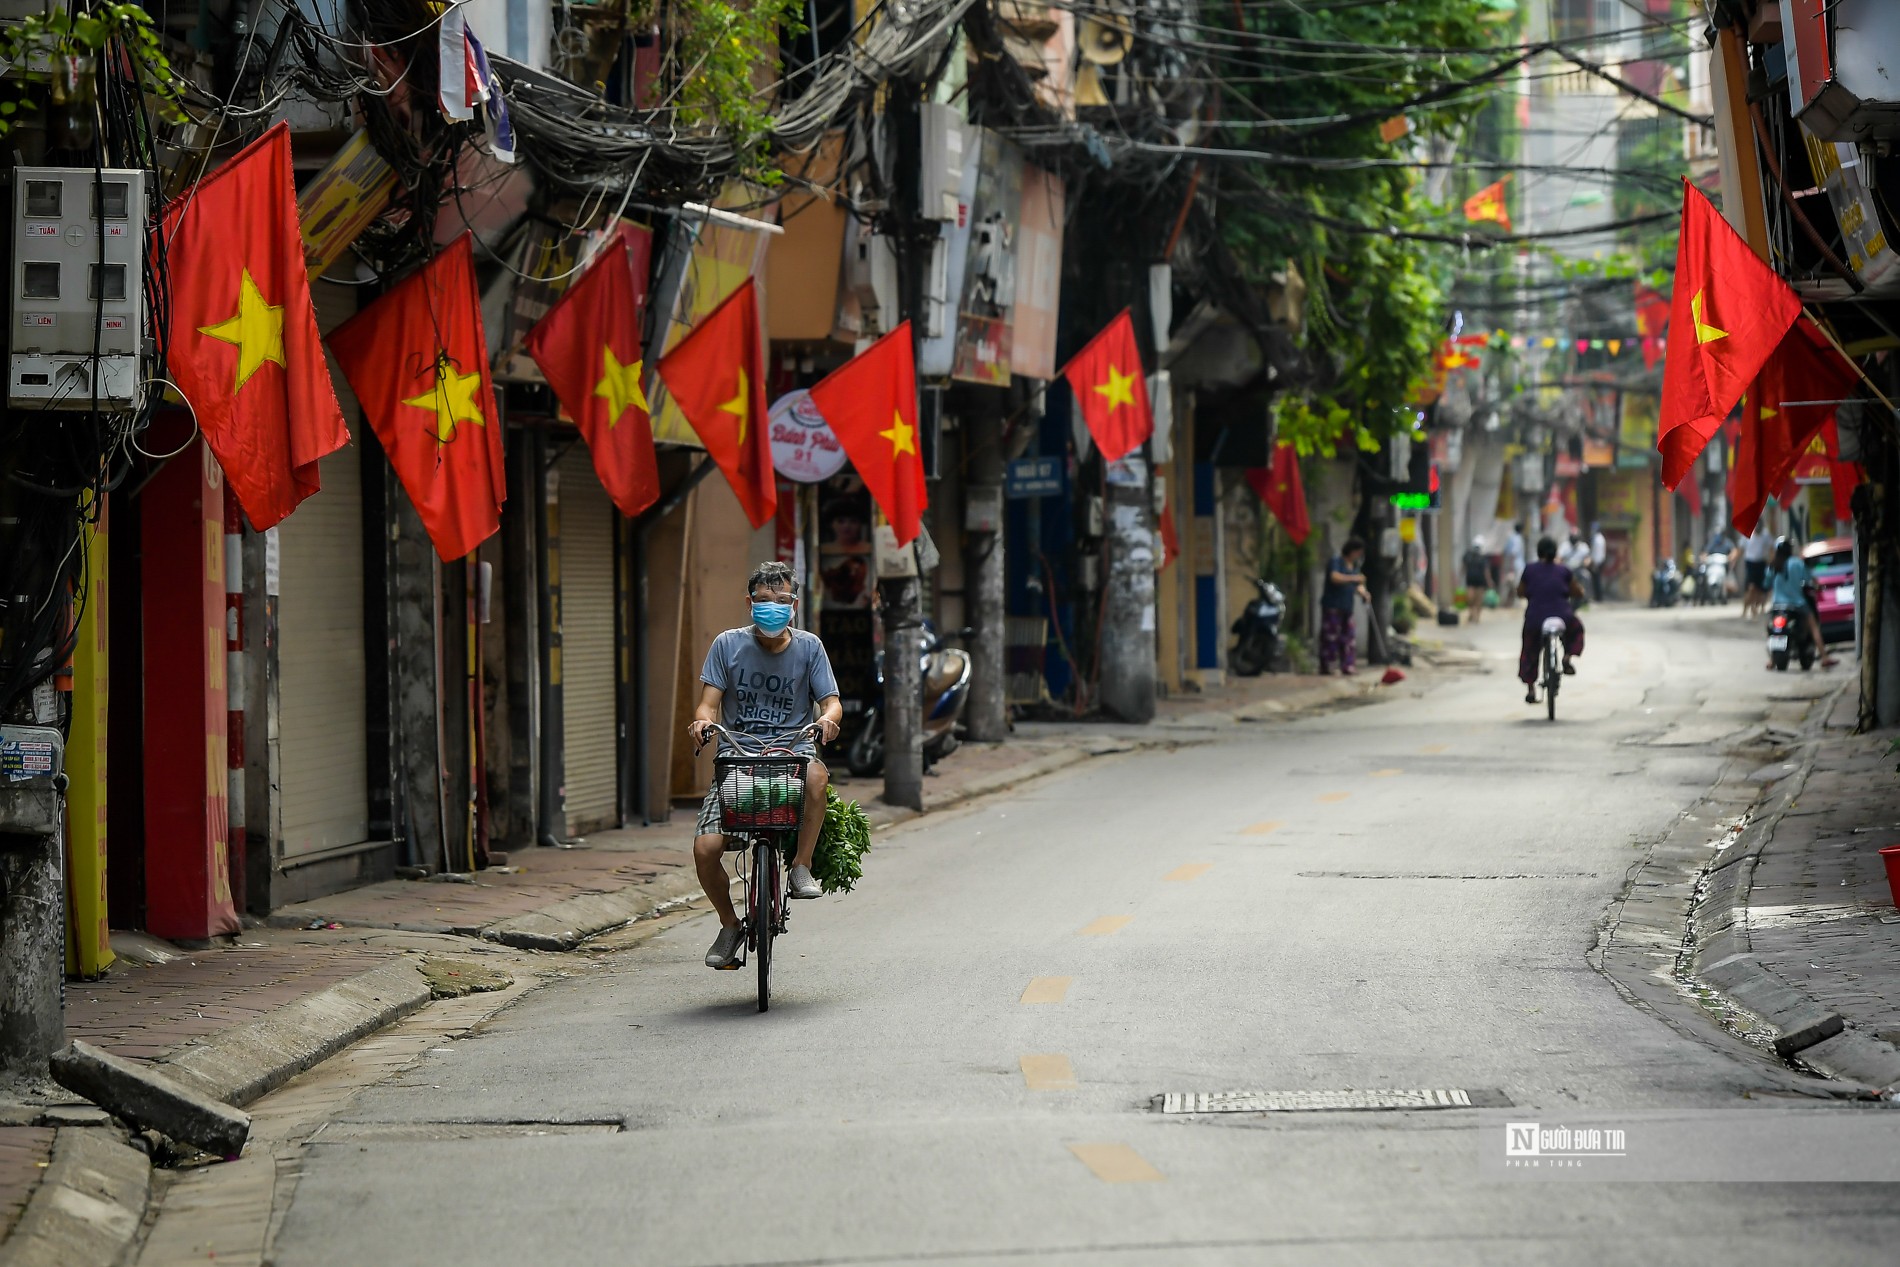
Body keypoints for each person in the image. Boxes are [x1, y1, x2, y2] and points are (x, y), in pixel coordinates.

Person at [688, 561, 845, 970]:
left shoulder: (810, 647)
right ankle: (729, 925)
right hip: (737, 757)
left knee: (817, 775)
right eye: (762, 601)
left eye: (780, 600)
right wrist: (703, 721)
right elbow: (708, 702)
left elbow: (831, 701)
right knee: (705, 850)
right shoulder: (727, 644)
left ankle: (801, 867)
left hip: (791, 754)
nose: (771, 607)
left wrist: (829, 719)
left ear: (793, 604)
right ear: (748, 603)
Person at [1518, 536, 1586, 704]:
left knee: (1530, 648)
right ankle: (1567, 657)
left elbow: (1520, 592)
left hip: (1535, 618)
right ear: (1555, 552)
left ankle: (1531, 689)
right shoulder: (1564, 571)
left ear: (1538, 551)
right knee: (1576, 630)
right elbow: (1577, 592)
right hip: (1562, 615)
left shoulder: (1529, 570)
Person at [1765, 538, 1835, 670]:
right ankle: (1824, 657)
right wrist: (1818, 586)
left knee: (1771, 629)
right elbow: (1810, 580)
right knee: (1814, 626)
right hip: (1797, 604)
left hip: (1777, 605)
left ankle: (1771, 660)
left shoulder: (1773, 565)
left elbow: (1766, 583)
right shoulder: (1797, 563)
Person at [1321, 538, 1371, 674]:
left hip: (1346, 607)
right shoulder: (1337, 562)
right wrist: (1354, 579)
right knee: (1331, 637)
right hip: (1333, 605)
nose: (1358, 556)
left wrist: (1364, 593)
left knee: (1348, 637)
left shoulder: (1354, 567)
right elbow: (1335, 577)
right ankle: (1329, 666)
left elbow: (1358, 586)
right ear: (1351, 551)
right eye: (1358, 553)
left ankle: (1348, 666)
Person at [1742, 521, 1773, 618]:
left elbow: (1771, 548)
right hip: (1750, 563)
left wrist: (1772, 561)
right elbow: (1741, 548)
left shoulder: (1766, 534)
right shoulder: (1747, 533)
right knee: (1751, 588)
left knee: (1761, 589)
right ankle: (1746, 609)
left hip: (1761, 563)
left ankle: (1757, 607)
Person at [1462, 537, 1492, 624]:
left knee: (1478, 600)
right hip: (1472, 580)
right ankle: (1472, 613)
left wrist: (1489, 581)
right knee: (1471, 598)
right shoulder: (1468, 556)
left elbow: (1486, 571)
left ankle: (1477, 616)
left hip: (1479, 581)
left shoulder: (1483, 558)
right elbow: (1464, 567)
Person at [1502, 524, 1526, 607]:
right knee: (1515, 584)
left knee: (1511, 584)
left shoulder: (1511, 538)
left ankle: (1509, 602)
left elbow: (1506, 552)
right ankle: (1515, 603)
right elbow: (1513, 553)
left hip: (1513, 565)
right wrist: (1511, 567)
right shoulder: (1517, 539)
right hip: (1516, 565)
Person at [1589, 522, 1608, 602]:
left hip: (1597, 562)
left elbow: (1595, 552)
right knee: (1598, 579)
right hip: (1601, 561)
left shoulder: (1596, 539)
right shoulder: (1601, 538)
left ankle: (1598, 597)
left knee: (1597, 580)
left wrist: (1594, 562)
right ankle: (1598, 597)